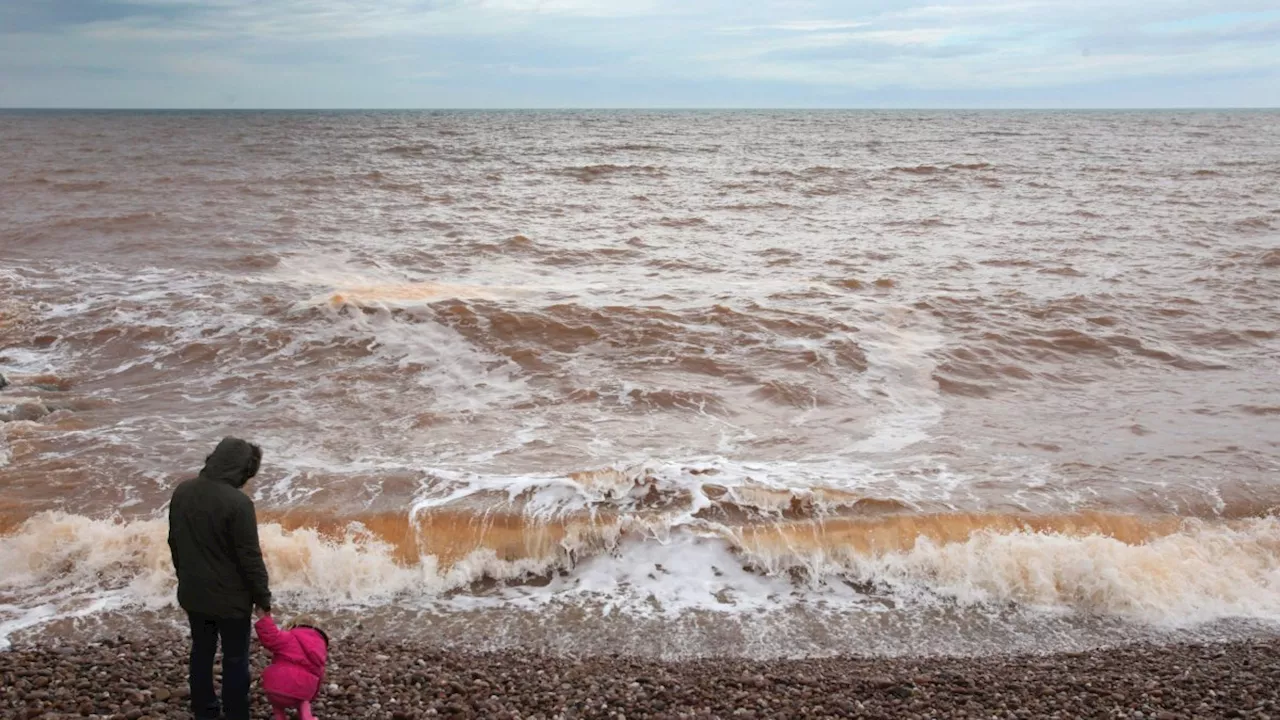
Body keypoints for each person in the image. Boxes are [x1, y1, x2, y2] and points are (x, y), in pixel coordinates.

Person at [168, 437, 272, 720]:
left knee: (201, 652)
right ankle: (236, 714)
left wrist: (185, 578)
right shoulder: (238, 504)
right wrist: (263, 598)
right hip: (231, 602)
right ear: (242, 470)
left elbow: (174, 542)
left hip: (193, 593)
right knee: (235, 659)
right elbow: (250, 558)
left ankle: (204, 710)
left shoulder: (182, 492)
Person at [255, 611, 330, 720]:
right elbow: (319, 675)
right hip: (301, 692)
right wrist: (311, 697)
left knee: (278, 706)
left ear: (293, 625)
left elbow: (270, 636)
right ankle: (307, 717)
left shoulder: (288, 637)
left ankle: (280, 716)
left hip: (275, 688)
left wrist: (264, 618)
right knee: (304, 701)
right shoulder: (320, 648)